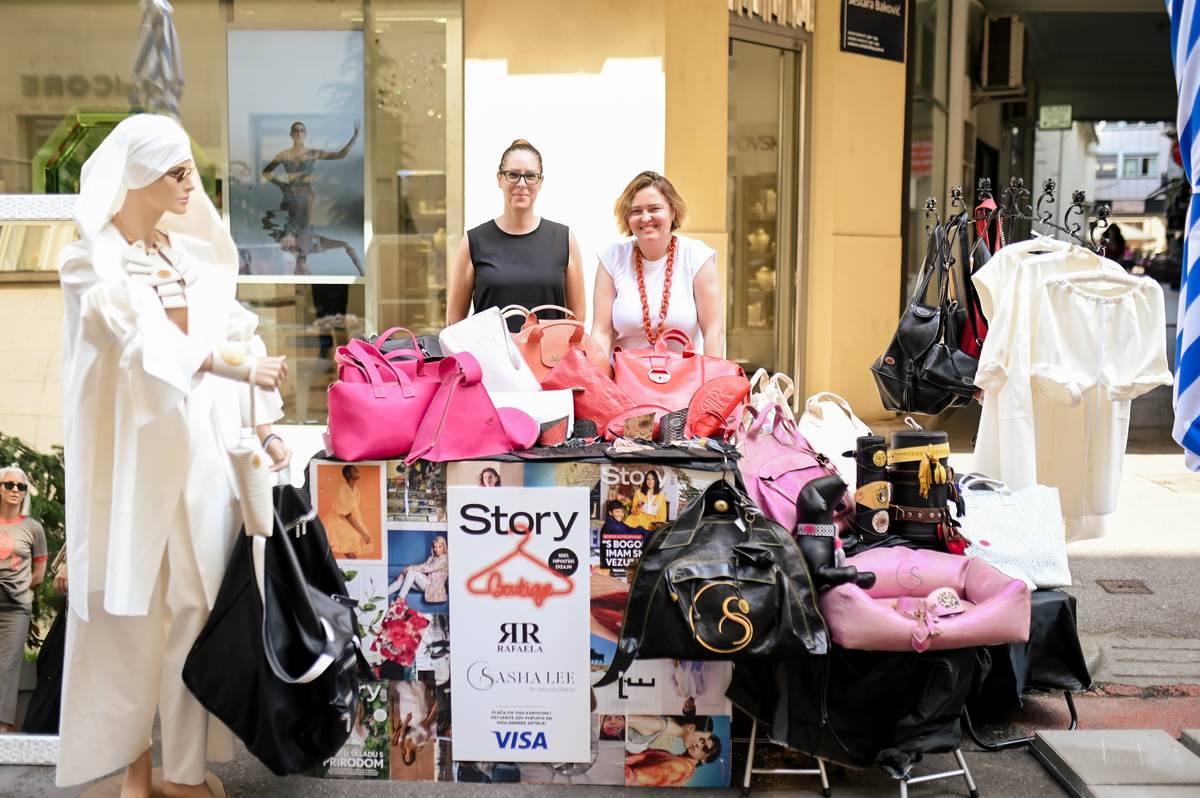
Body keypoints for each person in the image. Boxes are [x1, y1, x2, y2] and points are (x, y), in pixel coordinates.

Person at [56, 114, 291, 797]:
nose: (192, 186)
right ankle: (134, 776)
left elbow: (236, 327)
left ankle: (183, 773)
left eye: (190, 171)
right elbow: (136, 339)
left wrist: (263, 423)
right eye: (177, 174)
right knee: (128, 618)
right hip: (131, 469)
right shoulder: (88, 261)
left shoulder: (185, 255)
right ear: (138, 178)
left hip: (201, 461)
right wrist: (233, 367)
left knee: (195, 609)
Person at [446, 139, 586, 331]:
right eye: (513, 175)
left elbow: (577, 319)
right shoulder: (473, 241)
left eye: (530, 176)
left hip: (550, 359)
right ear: (499, 178)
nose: (522, 183)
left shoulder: (564, 238)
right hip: (491, 359)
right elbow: (454, 323)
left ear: (540, 181)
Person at [591, 171, 725, 356]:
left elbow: (713, 332)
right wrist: (598, 380)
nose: (645, 218)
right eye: (636, 211)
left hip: (684, 379)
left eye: (654, 209)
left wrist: (712, 382)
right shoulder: (611, 258)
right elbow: (601, 333)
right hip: (623, 378)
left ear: (673, 211)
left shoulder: (697, 257)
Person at [0, 465, 47, 733]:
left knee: (6, 668)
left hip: (15, 608)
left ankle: (3, 728)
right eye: (9, 485)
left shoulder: (33, 528)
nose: (15, 490)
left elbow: (39, 575)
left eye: (21, 487)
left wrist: (18, 587)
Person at [623, 715, 722, 787]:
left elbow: (632, 779)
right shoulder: (679, 761)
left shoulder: (682, 768)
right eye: (701, 740)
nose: (698, 745)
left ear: (705, 759)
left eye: (705, 749)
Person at [321, 465, 374, 558]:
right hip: (338, 526)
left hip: (348, 526)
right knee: (350, 555)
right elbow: (348, 515)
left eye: (357, 470)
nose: (358, 471)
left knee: (351, 556)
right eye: (354, 470)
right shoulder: (343, 490)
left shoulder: (356, 490)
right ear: (348, 474)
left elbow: (353, 513)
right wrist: (363, 533)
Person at [387, 536, 448, 604]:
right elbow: (422, 566)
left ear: (444, 547)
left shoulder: (445, 559)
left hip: (435, 589)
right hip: (427, 585)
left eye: (439, 547)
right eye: (435, 547)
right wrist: (404, 572)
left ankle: (400, 599)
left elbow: (429, 568)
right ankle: (383, 594)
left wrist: (410, 568)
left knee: (412, 572)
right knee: (404, 579)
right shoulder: (431, 558)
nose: (436, 549)